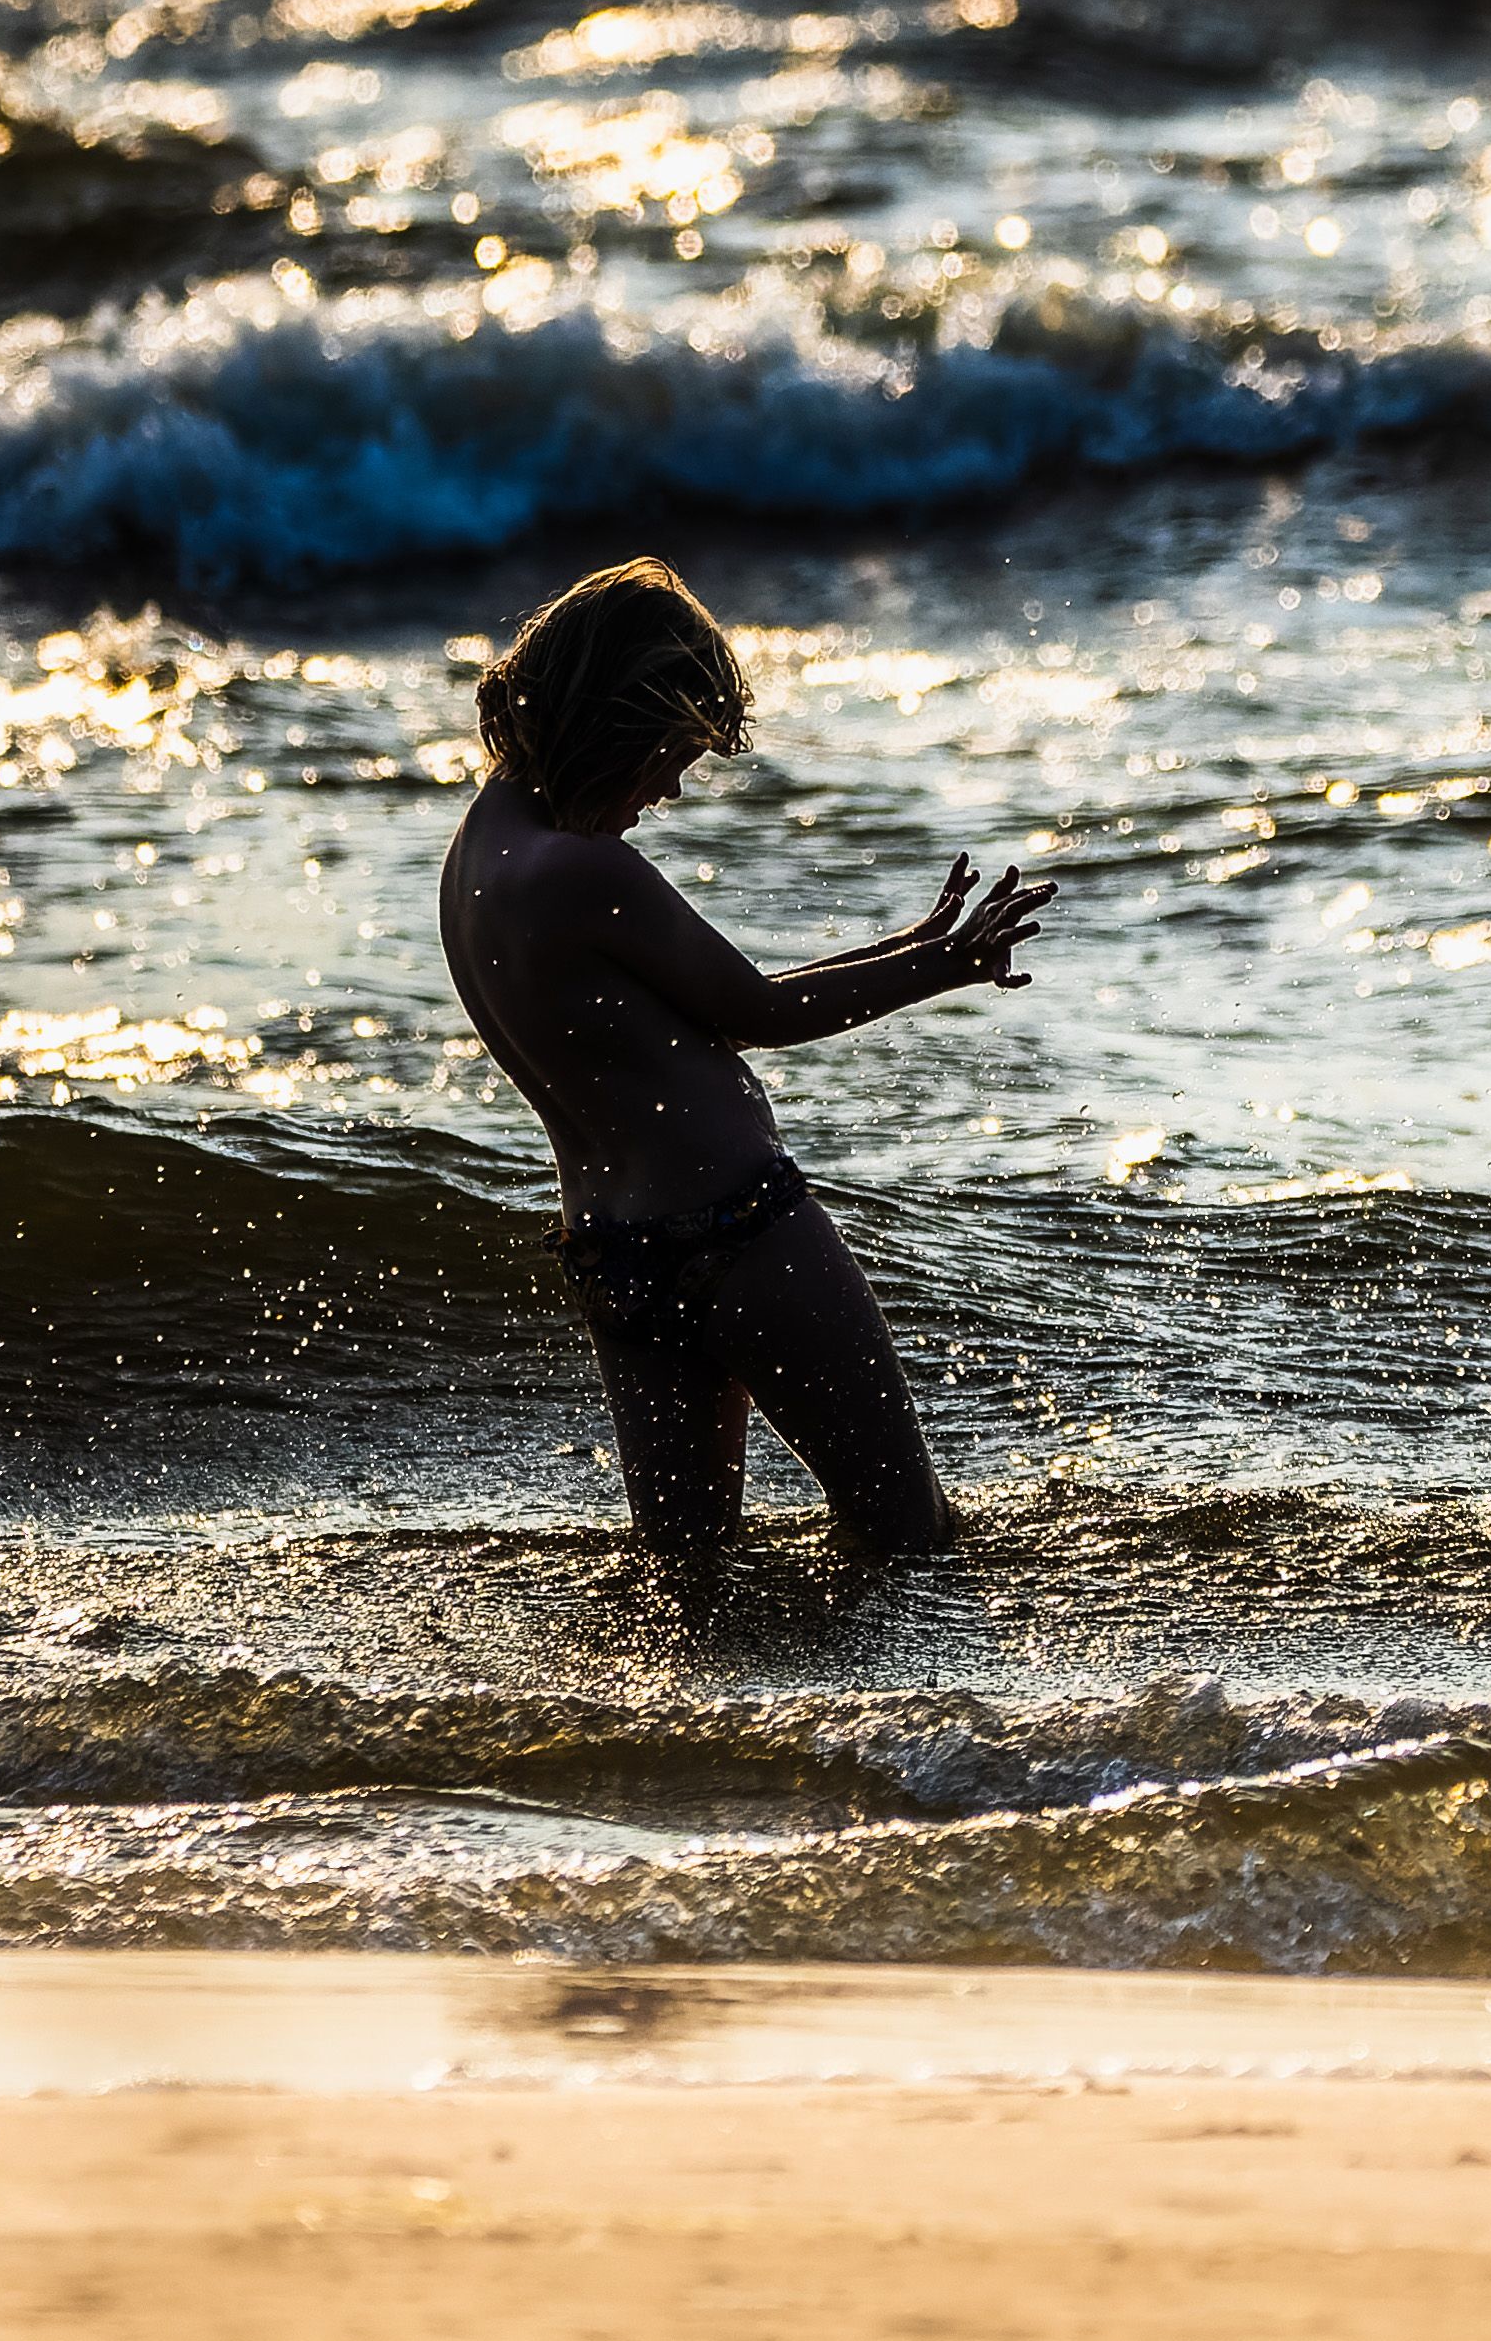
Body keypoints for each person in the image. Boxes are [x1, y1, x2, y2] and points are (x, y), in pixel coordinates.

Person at [437, 554, 1052, 1589]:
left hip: (616, 1261)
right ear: (614, 721)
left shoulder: (475, 868)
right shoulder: (585, 869)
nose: (669, 788)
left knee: (692, 1582)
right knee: (911, 1538)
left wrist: (906, 944)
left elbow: (730, 992)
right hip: (739, 1237)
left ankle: (714, 1752)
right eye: (667, 755)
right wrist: (941, 964)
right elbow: (758, 1010)